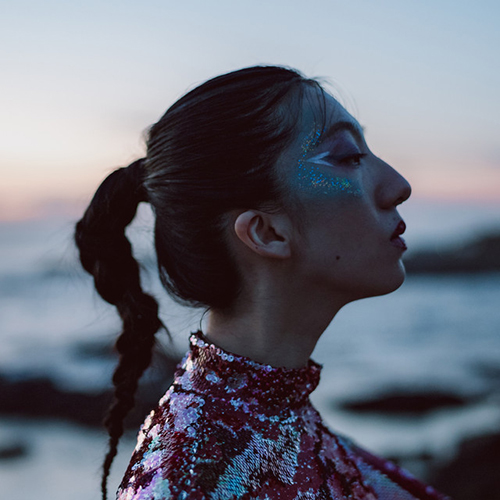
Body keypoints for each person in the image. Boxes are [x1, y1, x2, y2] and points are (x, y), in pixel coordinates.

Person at [75, 66, 450, 500]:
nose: (398, 186)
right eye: (348, 157)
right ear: (266, 233)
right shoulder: (195, 481)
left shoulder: (281, 421)